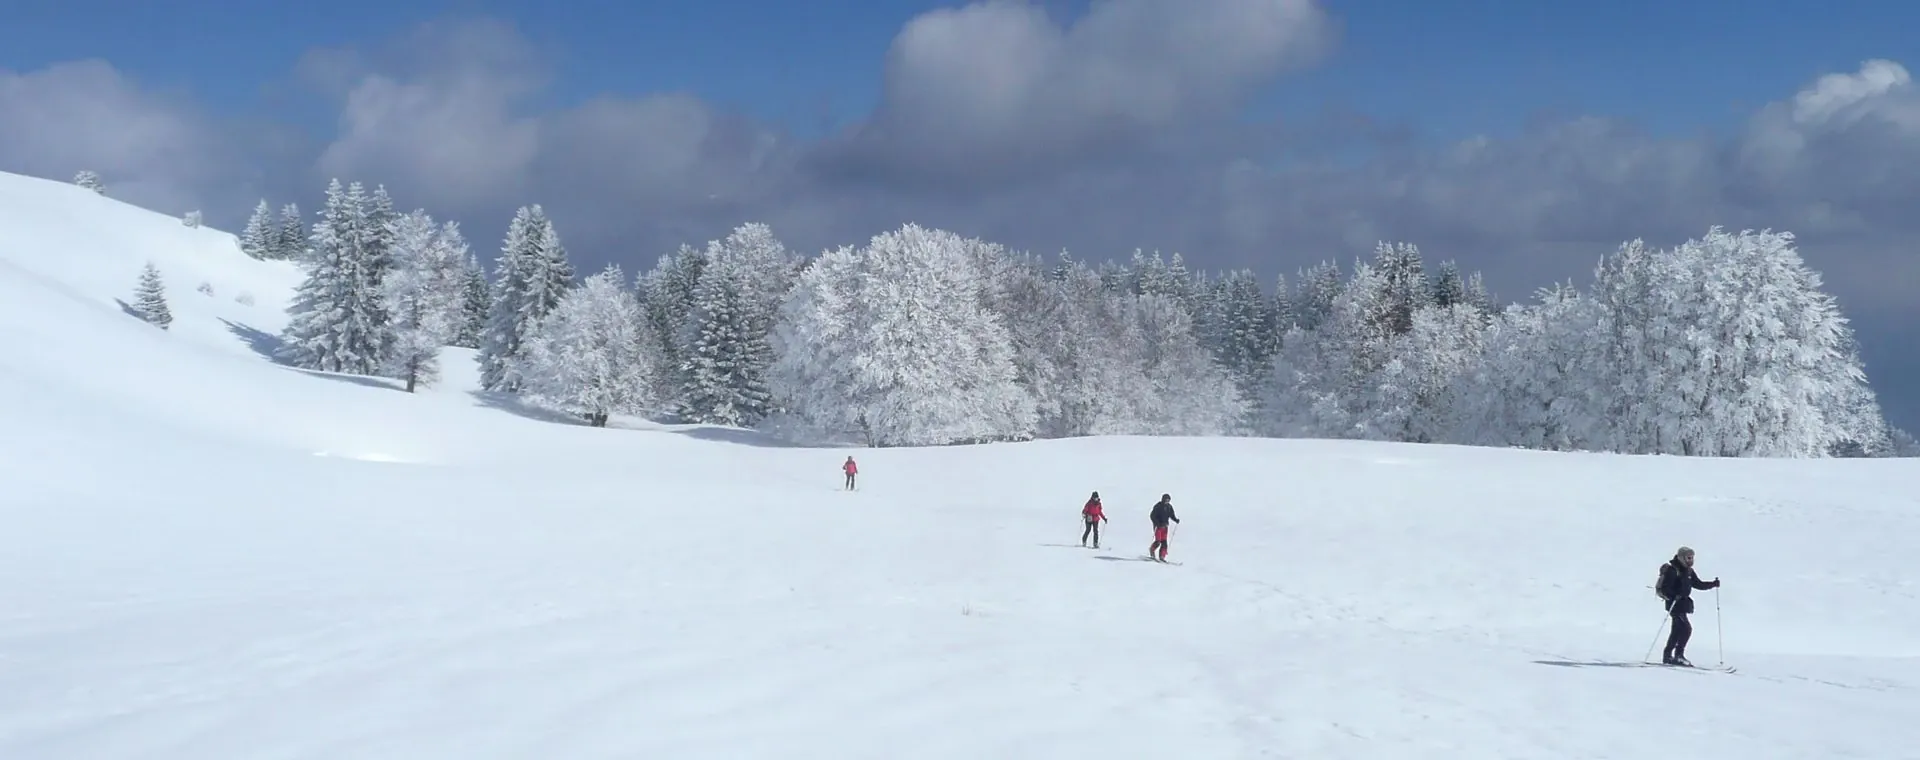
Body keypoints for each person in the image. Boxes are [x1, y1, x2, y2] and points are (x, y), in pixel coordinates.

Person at [1656, 545, 1721, 666]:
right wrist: (1674, 595)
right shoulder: (1673, 570)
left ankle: (1668, 656)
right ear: (1681, 557)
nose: (1690, 560)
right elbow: (1665, 589)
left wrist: (1713, 584)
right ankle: (1678, 656)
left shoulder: (1688, 571)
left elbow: (1698, 584)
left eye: (1692, 558)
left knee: (1677, 630)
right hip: (1674, 605)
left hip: (1683, 604)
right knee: (1686, 629)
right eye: (1688, 558)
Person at [1147, 494, 1180, 561]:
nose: (1167, 501)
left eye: (1168, 500)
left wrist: (1175, 520)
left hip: (1165, 527)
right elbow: (1152, 516)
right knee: (1158, 541)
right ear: (1163, 499)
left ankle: (1162, 556)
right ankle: (1152, 550)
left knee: (1164, 543)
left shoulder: (1169, 507)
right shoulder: (1158, 506)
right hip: (1158, 527)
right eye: (1166, 500)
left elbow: (1171, 515)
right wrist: (1157, 523)